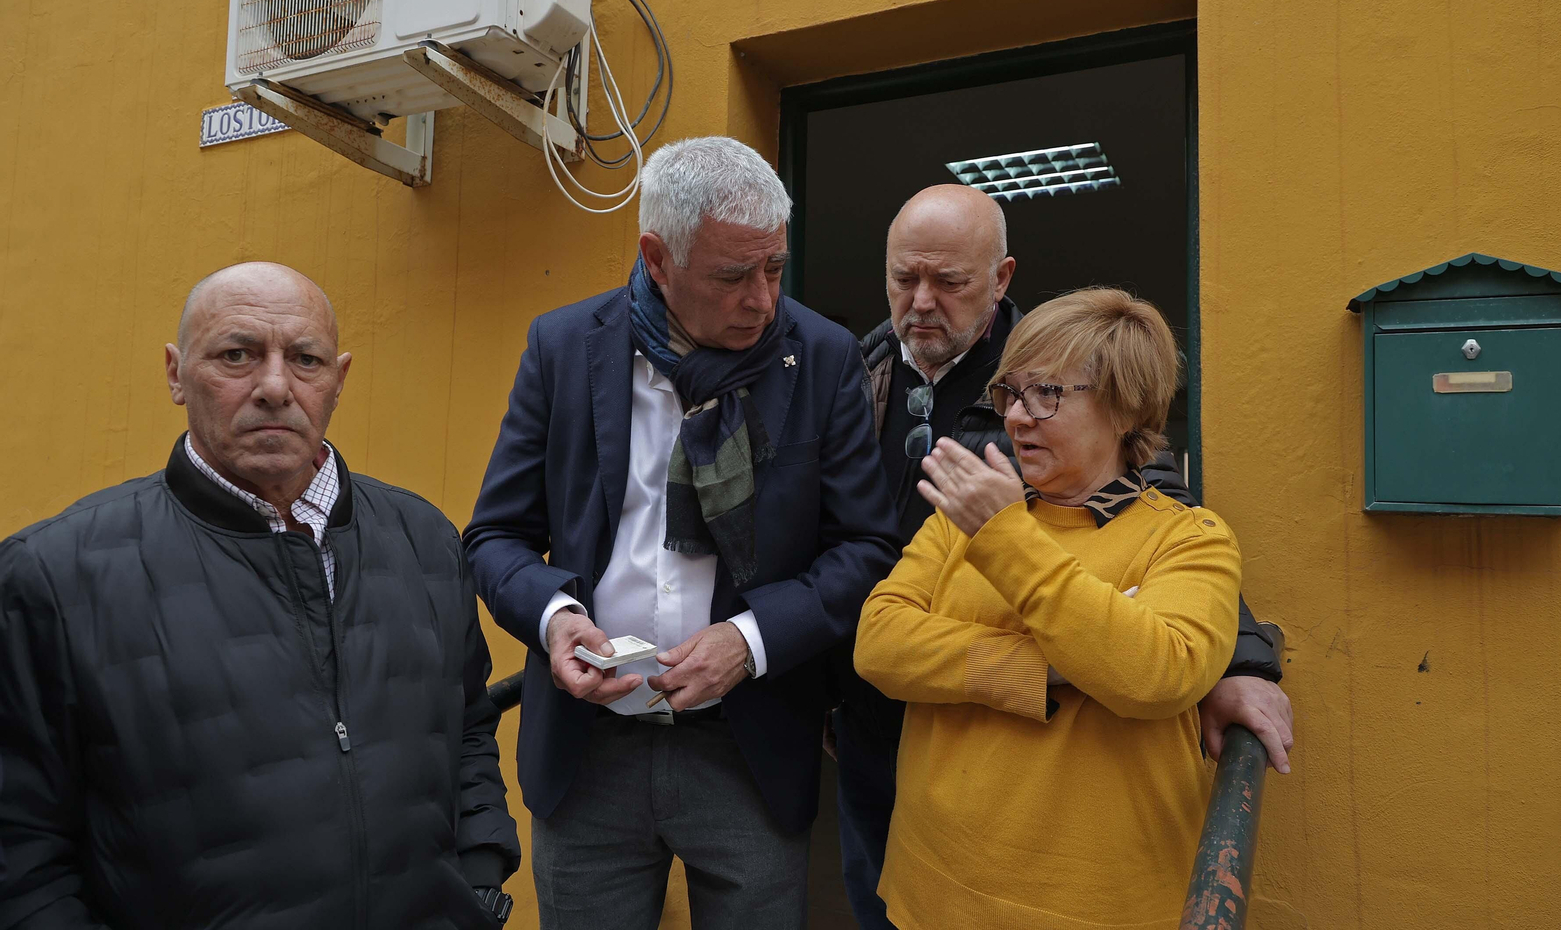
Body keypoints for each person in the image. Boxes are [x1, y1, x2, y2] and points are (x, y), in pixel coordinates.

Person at [0, 263, 521, 930]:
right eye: (237, 354)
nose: (275, 387)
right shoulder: (52, 574)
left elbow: (469, 724)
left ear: (338, 380)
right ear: (174, 373)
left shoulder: (423, 539)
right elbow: (20, 851)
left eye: (305, 359)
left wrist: (479, 877)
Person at [465, 136, 900, 930]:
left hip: (750, 746)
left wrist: (751, 638)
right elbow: (494, 536)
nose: (764, 300)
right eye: (734, 275)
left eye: (775, 267)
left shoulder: (825, 356)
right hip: (587, 748)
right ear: (657, 258)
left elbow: (866, 548)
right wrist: (557, 621)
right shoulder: (562, 347)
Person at [835, 184, 1292, 930]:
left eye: (1046, 394)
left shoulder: (1185, 535)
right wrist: (1054, 664)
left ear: (1123, 405)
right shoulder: (921, 464)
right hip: (930, 887)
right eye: (1010, 391)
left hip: (1093, 905)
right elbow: (879, 640)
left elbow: (1153, 670)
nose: (1014, 416)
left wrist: (1004, 537)